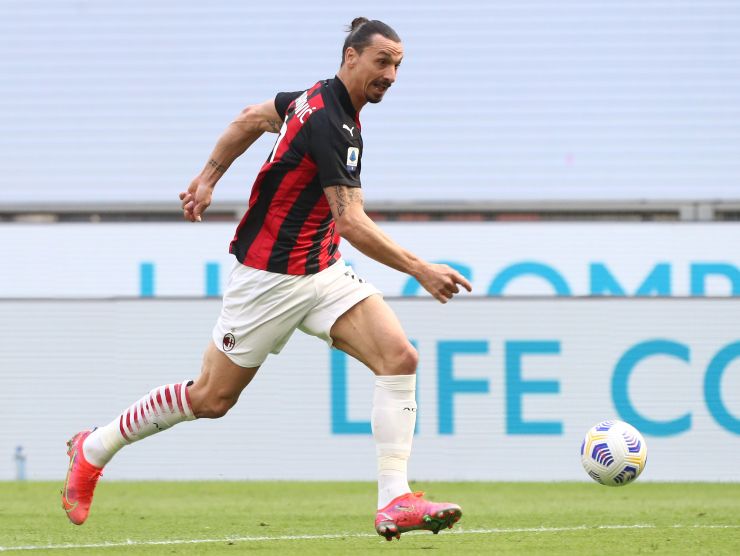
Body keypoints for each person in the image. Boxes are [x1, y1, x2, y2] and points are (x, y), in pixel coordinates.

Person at [62, 17, 471, 541]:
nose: (391, 73)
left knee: (399, 357)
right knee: (211, 399)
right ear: (351, 57)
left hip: (320, 269)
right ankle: (93, 448)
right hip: (269, 278)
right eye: (382, 61)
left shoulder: (316, 98)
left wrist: (207, 178)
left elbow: (251, 118)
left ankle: (395, 500)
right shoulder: (332, 124)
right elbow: (350, 221)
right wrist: (420, 269)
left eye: (398, 64)